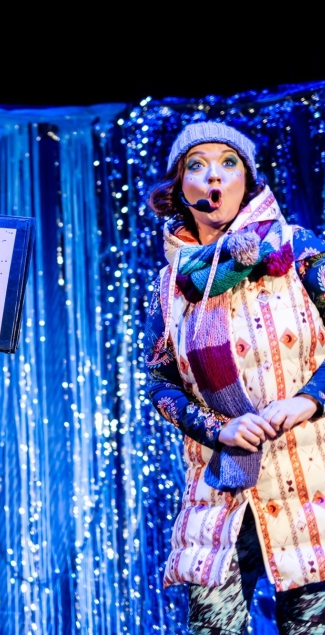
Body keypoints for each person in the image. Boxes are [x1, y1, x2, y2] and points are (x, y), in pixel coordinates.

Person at [144, 121, 325, 634]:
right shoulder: (170, 286)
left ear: (247, 180)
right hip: (221, 488)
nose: (213, 176)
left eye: (228, 163)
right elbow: (159, 382)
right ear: (180, 187)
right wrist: (218, 428)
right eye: (196, 166)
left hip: (311, 481)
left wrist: (309, 399)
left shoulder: (297, 248)